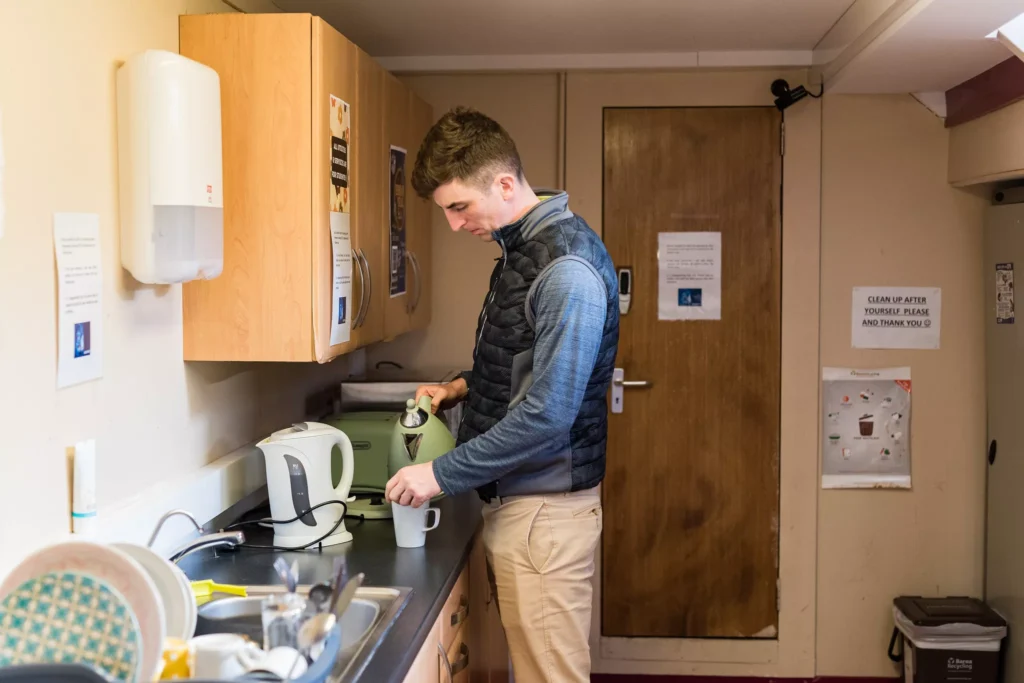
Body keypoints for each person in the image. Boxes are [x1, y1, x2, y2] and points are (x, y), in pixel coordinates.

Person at [384, 106, 620, 682]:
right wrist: (462, 387)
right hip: (524, 504)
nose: (454, 225)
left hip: (543, 516)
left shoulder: (566, 270)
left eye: (459, 207)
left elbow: (548, 414)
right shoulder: (526, 250)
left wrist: (437, 474)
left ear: (506, 184)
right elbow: (526, 360)